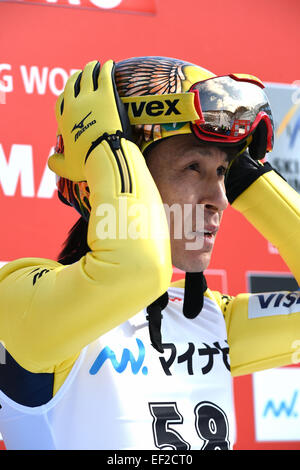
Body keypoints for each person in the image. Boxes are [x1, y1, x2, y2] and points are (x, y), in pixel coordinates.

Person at [0, 56, 299, 451]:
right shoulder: (18, 298)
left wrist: (253, 179)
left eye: (224, 173)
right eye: (193, 167)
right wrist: (103, 143)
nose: (220, 201)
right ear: (114, 174)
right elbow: (135, 270)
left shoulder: (209, 318)